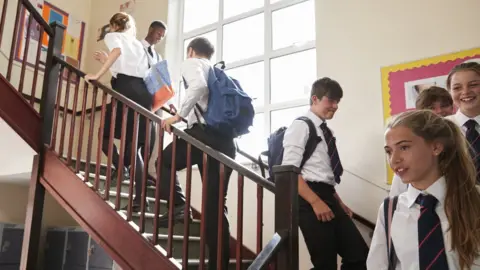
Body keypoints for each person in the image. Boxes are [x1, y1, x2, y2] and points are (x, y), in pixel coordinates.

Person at [156, 37, 236, 270]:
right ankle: (217, 266)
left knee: (164, 162)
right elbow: (203, 95)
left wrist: (179, 116)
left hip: (203, 137)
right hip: (225, 142)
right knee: (215, 208)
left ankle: (179, 205)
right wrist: (184, 112)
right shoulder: (216, 70)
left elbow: (198, 87)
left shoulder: (192, 63)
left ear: (191, 50)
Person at [367, 110, 480, 269]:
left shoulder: (474, 198)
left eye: (404, 147)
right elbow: (377, 265)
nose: (394, 159)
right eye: (389, 151)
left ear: (435, 147)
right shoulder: (390, 210)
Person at [281, 78, 369, 270]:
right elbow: (289, 172)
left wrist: (339, 202)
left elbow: (322, 174)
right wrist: (315, 201)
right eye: (331, 100)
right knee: (325, 263)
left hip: (327, 194)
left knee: (359, 255)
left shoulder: (325, 130)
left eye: (338, 101)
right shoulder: (301, 126)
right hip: (308, 197)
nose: (335, 106)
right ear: (315, 99)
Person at [85, 12, 155, 211]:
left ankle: (121, 168)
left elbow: (117, 54)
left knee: (104, 135)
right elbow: (128, 69)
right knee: (135, 150)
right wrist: (106, 62)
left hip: (126, 91)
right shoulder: (137, 44)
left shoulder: (112, 36)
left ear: (114, 25)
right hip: (142, 93)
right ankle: (140, 200)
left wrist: (96, 75)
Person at [94, 20, 177, 114]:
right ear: (151, 30)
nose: (160, 38)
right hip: (132, 92)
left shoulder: (158, 57)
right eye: (158, 33)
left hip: (148, 97)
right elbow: (123, 66)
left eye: (162, 36)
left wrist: (170, 103)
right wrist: (107, 61)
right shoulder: (133, 46)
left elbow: (162, 80)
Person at [389, 86, 454, 196]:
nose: (439, 111)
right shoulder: (411, 149)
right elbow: (396, 198)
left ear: (452, 107)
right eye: (431, 107)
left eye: (444, 106)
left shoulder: (463, 138)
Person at [445, 62, 480, 183]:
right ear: (449, 92)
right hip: (454, 199)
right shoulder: (438, 128)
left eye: (473, 85)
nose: (465, 92)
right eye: (457, 87)